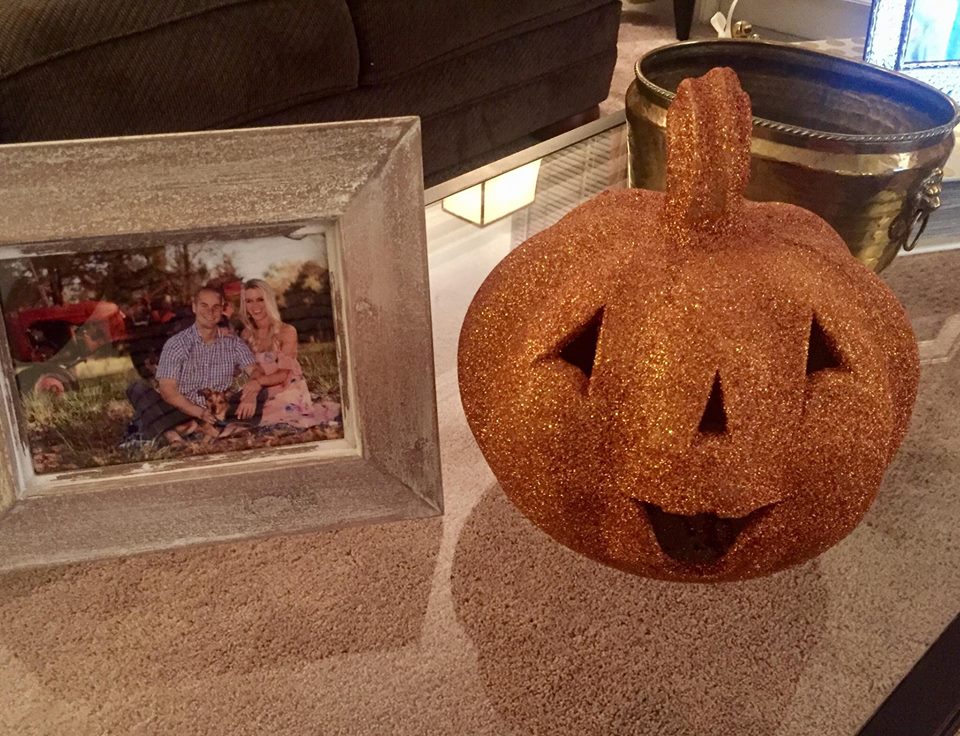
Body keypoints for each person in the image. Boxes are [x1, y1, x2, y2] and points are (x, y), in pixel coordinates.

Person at [126, 284, 267, 445]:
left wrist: (252, 390)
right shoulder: (176, 344)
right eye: (204, 306)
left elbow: (256, 370)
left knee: (263, 390)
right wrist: (199, 412)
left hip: (220, 409)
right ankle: (174, 439)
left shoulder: (234, 343)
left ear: (222, 309)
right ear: (194, 307)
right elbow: (168, 391)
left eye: (215, 307)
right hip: (183, 410)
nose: (210, 312)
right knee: (137, 388)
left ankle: (226, 430)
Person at [239, 279, 318, 429]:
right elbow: (253, 370)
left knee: (274, 423)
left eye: (260, 299)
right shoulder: (246, 334)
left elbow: (283, 374)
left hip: (286, 390)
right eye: (249, 301)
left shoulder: (287, 331)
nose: (255, 306)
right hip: (260, 390)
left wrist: (257, 384)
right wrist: (251, 393)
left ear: (269, 301)